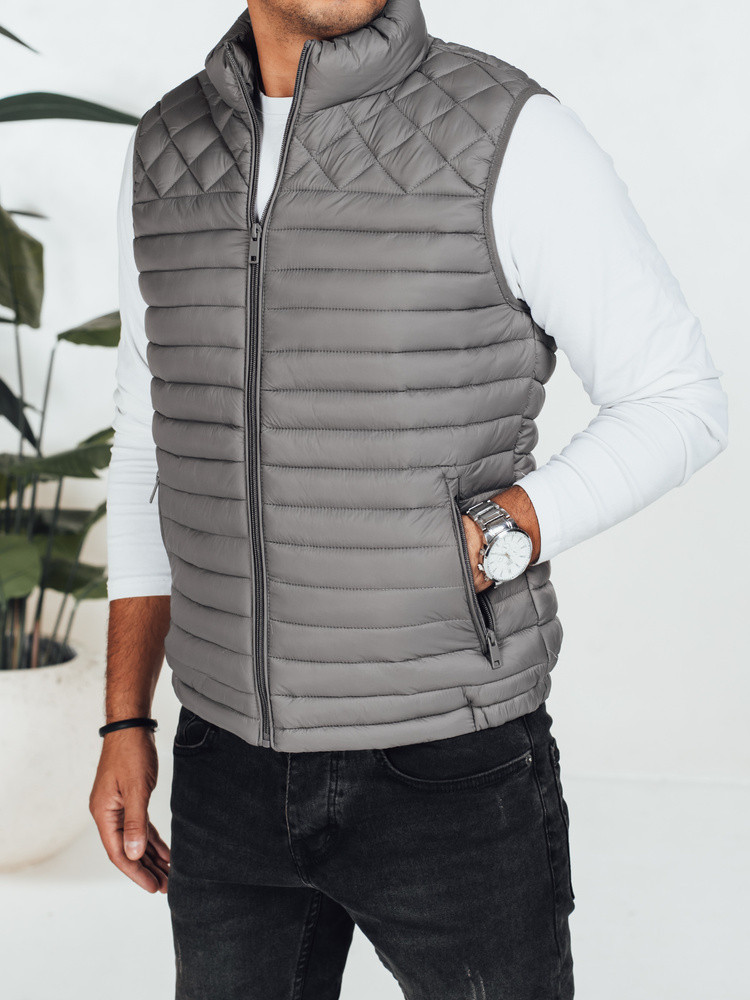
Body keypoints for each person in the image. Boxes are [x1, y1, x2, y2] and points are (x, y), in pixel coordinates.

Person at [90, 1, 729, 997]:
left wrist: (506, 528)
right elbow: (148, 443)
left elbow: (678, 397)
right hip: (226, 763)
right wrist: (123, 720)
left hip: (449, 762)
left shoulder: (507, 132)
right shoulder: (167, 149)